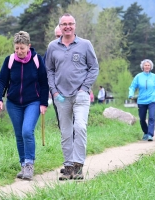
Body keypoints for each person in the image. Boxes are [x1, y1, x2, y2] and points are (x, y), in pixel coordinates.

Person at [45, 13, 99, 180]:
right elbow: (49, 70)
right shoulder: (52, 47)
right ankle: (68, 167)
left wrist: (85, 88)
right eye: (64, 24)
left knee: (80, 127)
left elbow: (94, 68)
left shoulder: (85, 45)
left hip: (80, 96)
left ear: (75, 26)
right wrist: (54, 91)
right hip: (61, 97)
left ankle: (78, 166)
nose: (67, 27)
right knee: (66, 132)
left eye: (70, 24)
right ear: (60, 27)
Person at [0, 31, 49, 180]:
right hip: (13, 103)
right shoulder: (10, 60)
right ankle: (23, 165)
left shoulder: (37, 60)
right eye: (16, 48)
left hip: (33, 102)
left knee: (27, 131)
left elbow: (44, 83)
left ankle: (30, 164)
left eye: (22, 48)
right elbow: (1, 81)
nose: (19, 52)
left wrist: (44, 103)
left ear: (29, 46)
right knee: (19, 135)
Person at [128, 59, 155, 141]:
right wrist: (131, 94)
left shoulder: (154, 76)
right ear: (143, 66)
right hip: (142, 100)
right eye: (145, 65)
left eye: (148, 65)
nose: (147, 66)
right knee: (142, 119)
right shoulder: (138, 76)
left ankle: (150, 134)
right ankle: (146, 132)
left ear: (151, 67)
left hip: (152, 99)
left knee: (152, 117)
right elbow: (132, 87)